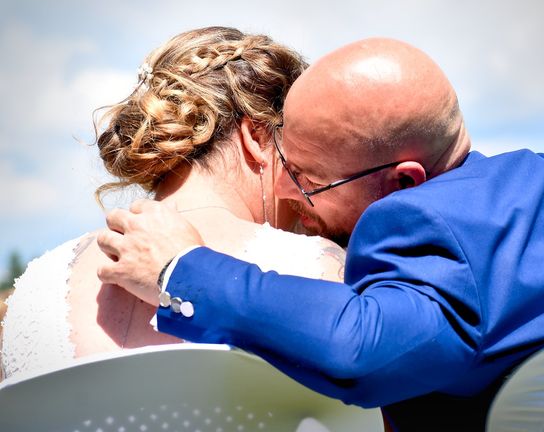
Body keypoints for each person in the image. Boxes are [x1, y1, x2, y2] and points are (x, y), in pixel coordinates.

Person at [96, 37, 544, 431]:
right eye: (284, 160)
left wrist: (181, 269)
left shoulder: (418, 222)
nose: (285, 191)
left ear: (403, 183)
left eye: (308, 180)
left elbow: (361, 346)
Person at [0, 26, 346, 381]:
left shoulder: (36, 288)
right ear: (256, 136)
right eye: (297, 154)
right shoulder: (313, 267)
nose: (305, 184)